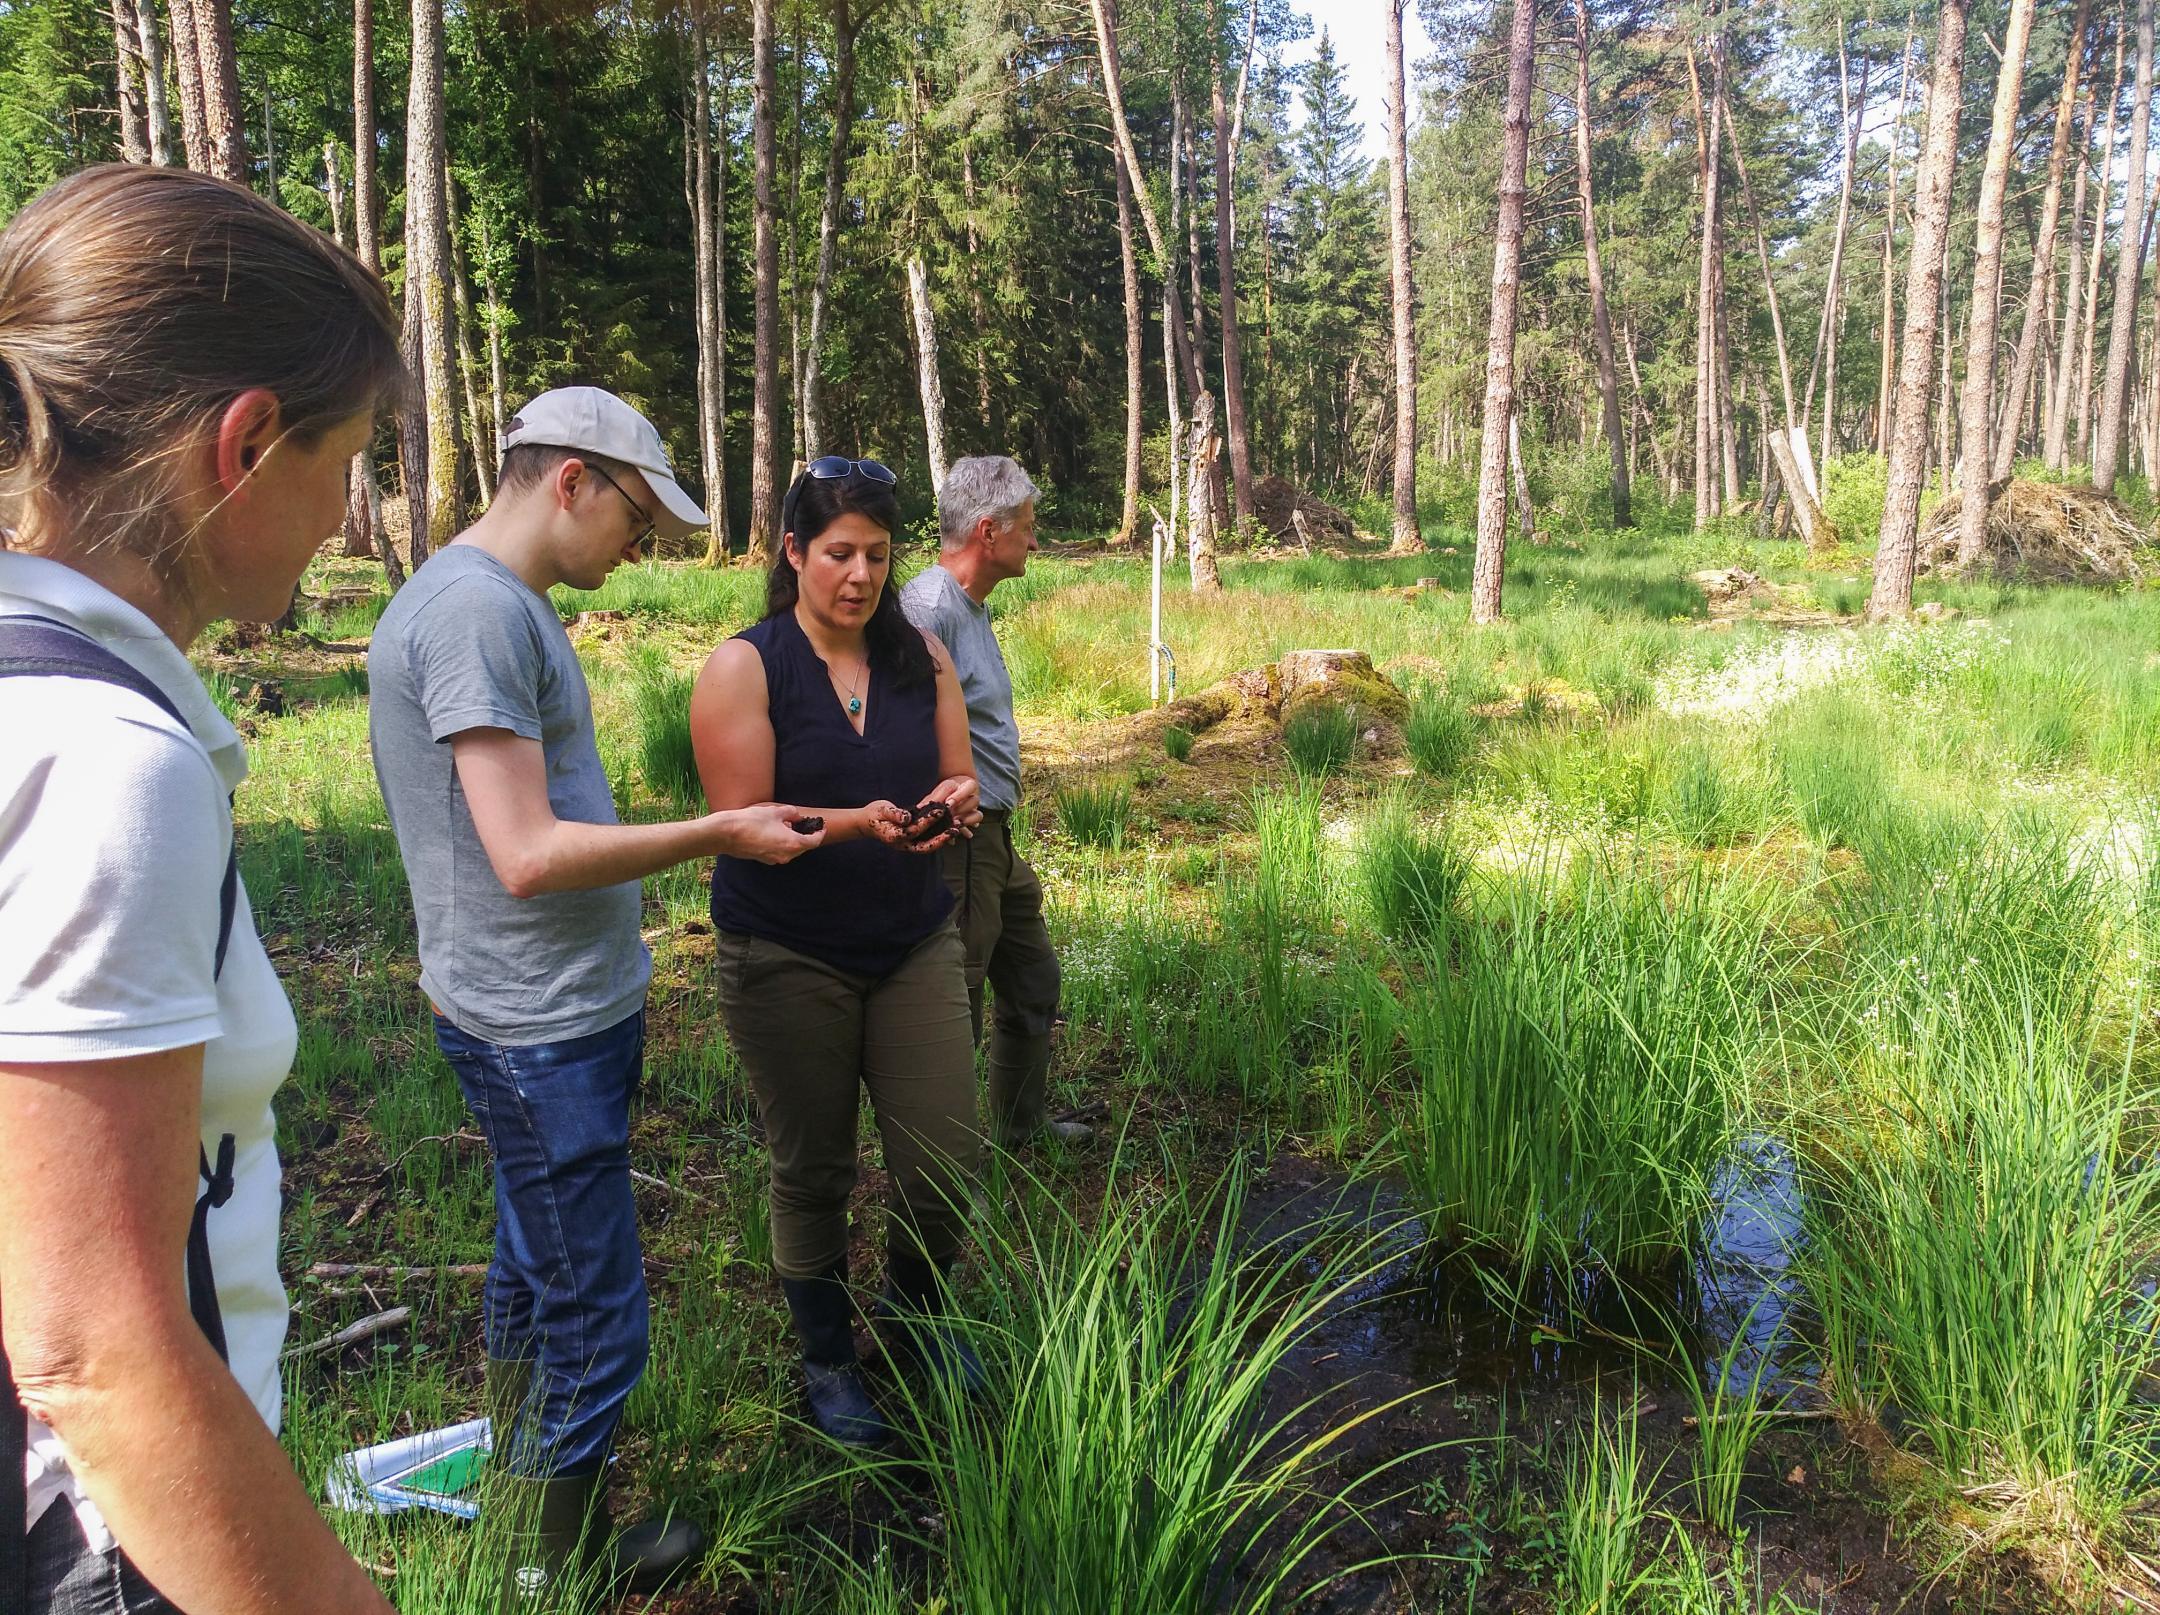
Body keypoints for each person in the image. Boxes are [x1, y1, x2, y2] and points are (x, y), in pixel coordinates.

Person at [0, 164, 402, 1615]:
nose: (346, 507)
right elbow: (91, 1347)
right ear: (243, 444)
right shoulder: (108, 765)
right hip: (109, 1546)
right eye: (347, 453)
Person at [367, 387, 822, 1602]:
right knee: (599, 1315)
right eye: (639, 517)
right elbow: (524, 851)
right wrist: (720, 829)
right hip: (536, 1028)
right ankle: (546, 1566)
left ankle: (525, 1507)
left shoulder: (494, 601)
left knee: (534, 1267)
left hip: (547, 1011)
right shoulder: (473, 612)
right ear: (569, 480)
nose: (645, 547)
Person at [690, 458, 985, 1447]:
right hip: (788, 952)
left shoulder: (922, 657)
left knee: (944, 1157)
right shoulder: (747, 665)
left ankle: (911, 1318)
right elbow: (742, 823)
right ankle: (826, 1356)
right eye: (837, 553)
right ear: (792, 553)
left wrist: (958, 803)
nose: (859, 575)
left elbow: (958, 776)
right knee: (813, 1170)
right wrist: (858, 823)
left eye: (877, 555)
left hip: (911, 940)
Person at [902, 457, 1090, 1148]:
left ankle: (1022, 1127)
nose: (1034, 543)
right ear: (989, 531)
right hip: (959, 844)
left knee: (1033, 977)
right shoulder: (928, 609)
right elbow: (902, 732)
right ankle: (945, 1174)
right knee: (957, 1007)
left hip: (996, 841)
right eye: (1028, 529)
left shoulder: (968, 610)